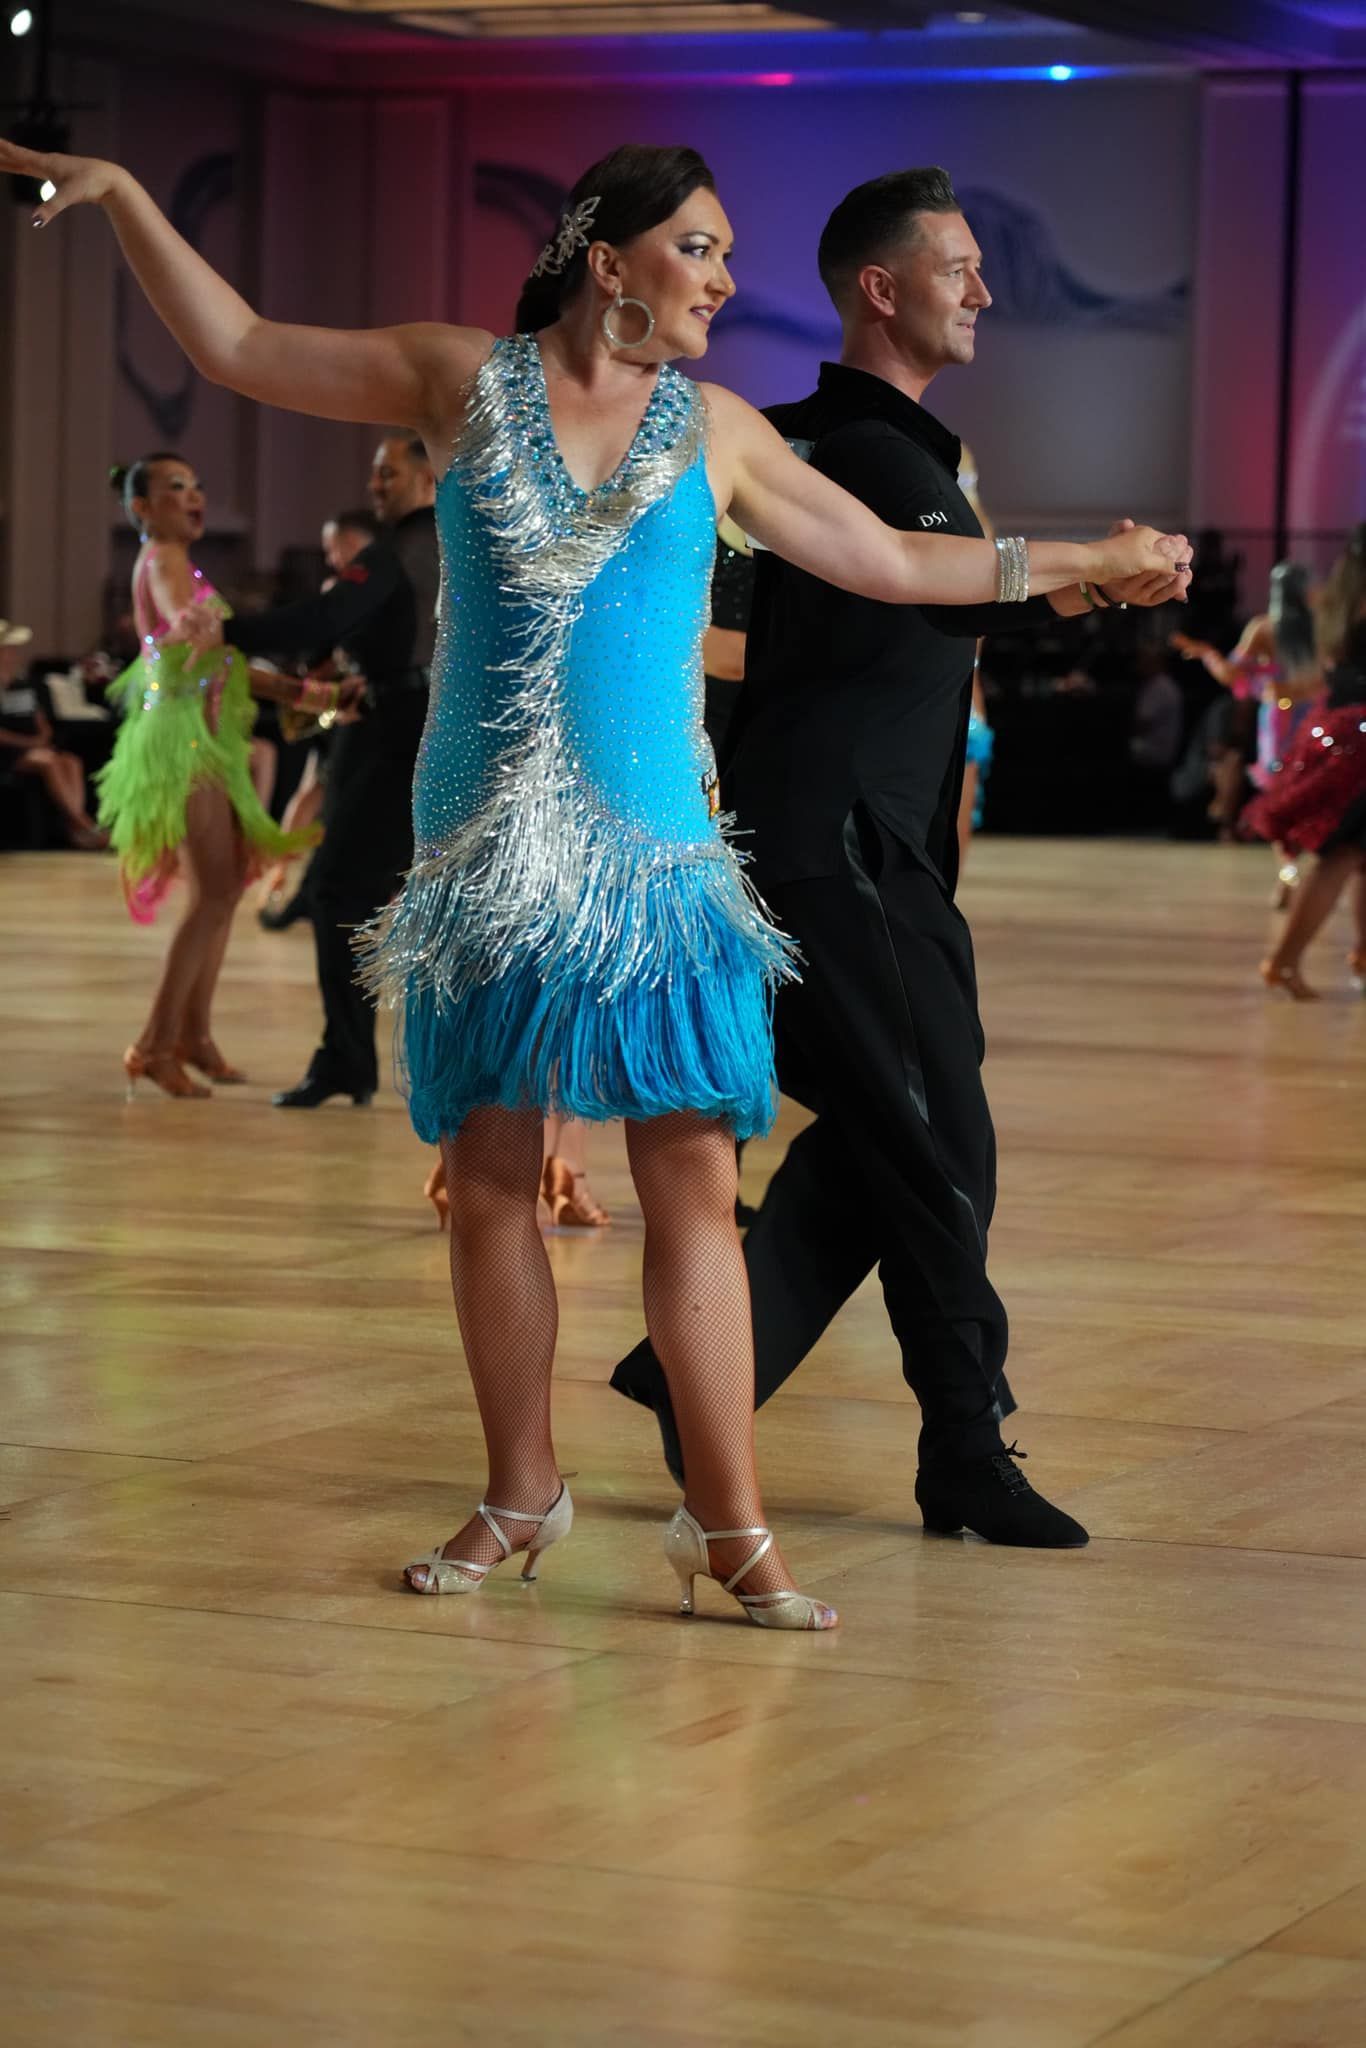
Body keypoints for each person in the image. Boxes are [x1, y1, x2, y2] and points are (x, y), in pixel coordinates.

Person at [5, 130, 1181, 1628]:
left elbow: (888, 562)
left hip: (657, 863)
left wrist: (1083, 559)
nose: (725, 280)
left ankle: (730, 1524)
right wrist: (119, 195)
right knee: (491, 1181)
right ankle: (521, 1492)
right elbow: (236, 345)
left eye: (728, 255)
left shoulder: (720, 430)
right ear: (606, 256)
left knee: (690, 1180)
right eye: (701, 249)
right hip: (489, 859)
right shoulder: (457, 381)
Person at [611, 166, 1191, 1548]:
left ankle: (709, 1383)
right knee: (933, 1141)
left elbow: (926, 609)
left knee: (898, 1137)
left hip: (858, 848)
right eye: (957, 268)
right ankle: (961, 1448)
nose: (984, 292)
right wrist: (1091, 560)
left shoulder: (866, 450)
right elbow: (914, 578)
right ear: (882, 290)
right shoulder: (866, 461)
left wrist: (1085, 578)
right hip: (833, 847)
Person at [94, 454, 338, 1099]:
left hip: (201, 735)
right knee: (209, 896)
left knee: (223, 890)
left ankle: (194, 1035)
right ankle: (153, 1044)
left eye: (197, 485)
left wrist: (295, 690)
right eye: (177, 488)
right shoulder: (166, 561)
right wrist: (196, 622)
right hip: (184, 742)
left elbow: (218, 655)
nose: (194, 496)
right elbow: (190, 626)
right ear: (141, 508)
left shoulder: (174, 559)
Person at [219, 439, 438, 1109]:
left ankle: (348, 1059)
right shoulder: (461, 540)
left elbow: (321, 618)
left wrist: (225, 632)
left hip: (396, 730)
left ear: (429, 474)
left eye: (388, 472)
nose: (375, 484)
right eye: (371, 471)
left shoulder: (399, 548)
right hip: (420, 720)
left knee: (339, 895)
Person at [1245, 526, 1366, 999]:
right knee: (1341, 856)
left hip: (1343, 729)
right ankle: (1283, 960)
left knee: (1355, 856)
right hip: (1358, 740)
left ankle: (1357, 954)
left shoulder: (1335, 604)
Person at [255, 505, 378, 932]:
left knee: (316, 795)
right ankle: (286, 881)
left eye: (333, 547)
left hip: (350, 706)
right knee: (312, 794)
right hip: (335, 707)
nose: (330, 557)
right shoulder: (342, 586)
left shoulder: (367, 582)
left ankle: (292, 884)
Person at [1173, 561, 1322, 894]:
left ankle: (1287, 869)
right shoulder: (1322, 629)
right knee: (1313, 790)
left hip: (1281, 721)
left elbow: (1231, 675)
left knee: (1280, 794)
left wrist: (1208, 655)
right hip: (1317, 718)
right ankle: (1310, 864)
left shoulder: (1263, 628)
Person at [0, 619, 107, 848]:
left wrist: (42, 736)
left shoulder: (22, 684)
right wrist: (28, 742)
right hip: (8, 751)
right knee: (49, 761)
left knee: (71, 761)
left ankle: (75, 824)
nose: (13, 654)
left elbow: (39, 717)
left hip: (33, 747)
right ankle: (83, 823)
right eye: (7, 649)